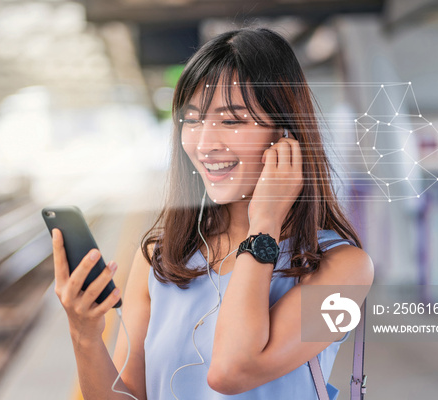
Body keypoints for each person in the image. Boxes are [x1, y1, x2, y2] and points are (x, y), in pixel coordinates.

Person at [51, 27, 374, 399]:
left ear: (287, 134)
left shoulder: (344, 269)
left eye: (232, 120)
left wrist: (264, 223)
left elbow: (232, 371)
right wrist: (84, 333)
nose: (205, 143)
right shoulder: (161, 259)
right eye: (192, 119)